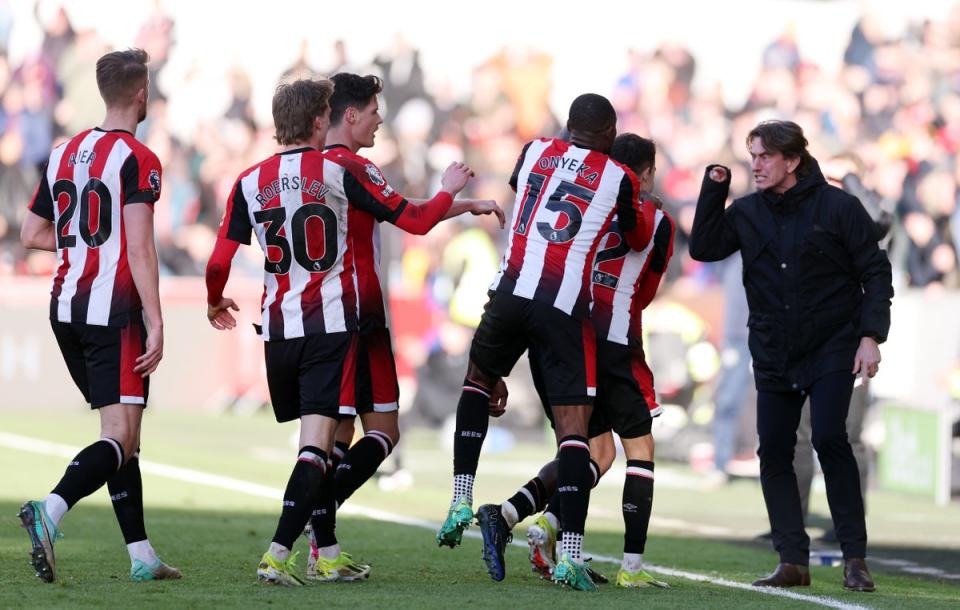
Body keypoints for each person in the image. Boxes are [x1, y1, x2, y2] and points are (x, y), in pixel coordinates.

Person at [437, 94, 655, 592]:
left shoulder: (534, 149)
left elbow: (527, 204)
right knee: (575, 432)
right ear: (609, 133)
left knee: (477, 383)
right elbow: (636, 235)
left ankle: (460, 497)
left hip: (512, 289)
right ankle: (570, 556)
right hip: (563, 308)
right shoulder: (619, 177)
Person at [298, 72, 503, 581]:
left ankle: (322, 544)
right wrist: (449, 189)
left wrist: (462, 206)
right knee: (383, 434)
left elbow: (405, 212)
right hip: (358, 319)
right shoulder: (354, 165)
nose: (379, 119)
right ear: (349, 115)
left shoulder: (311, 166)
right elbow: (411, 219)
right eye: (372, 110)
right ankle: (312, 521)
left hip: (320, 316)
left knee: (339, 436)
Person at [689, 120, 893, 593]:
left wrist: (870, 336)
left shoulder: (840, 207)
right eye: (752, 156)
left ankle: (855, 558)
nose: (756, 165)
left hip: (832, 343)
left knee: (829, 438)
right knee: (774, 451)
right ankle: (792, 561)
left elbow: (876, 272)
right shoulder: (746, 211)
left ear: (792, 161)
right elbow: (704, 247)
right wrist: (713, 187)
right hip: (773, 348)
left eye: (764, 157)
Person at [17, 48, 180, 584]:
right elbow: (139, 249)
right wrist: (157, 320)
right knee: (122, 438)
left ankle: (141, 554)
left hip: (66, 307)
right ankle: (51, 508)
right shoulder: (138, 158)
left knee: (121, 436)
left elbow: (31, 235)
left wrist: (85, 246)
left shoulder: (64, 152)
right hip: (114, 311)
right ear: (141, 95)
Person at [205, 78, 366, 586]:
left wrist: (215, 299)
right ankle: (277, 554)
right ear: (320, 121)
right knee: (317, 449)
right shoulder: (337, 171)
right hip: (328, 324)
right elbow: (412, 216)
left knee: (315, 447)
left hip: (277, 329)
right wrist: (456, 196)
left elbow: (217, 262)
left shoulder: (249, 180)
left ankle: (329, 552)